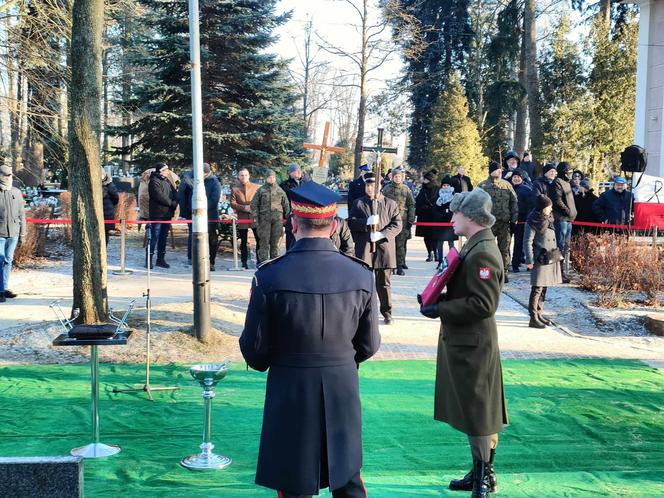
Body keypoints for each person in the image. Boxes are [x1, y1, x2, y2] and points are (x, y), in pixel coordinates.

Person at [240, 181, 380, 498]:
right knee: (346, 478)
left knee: (293, 483)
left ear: (293, 223)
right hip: (341, 384)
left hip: (290, 387)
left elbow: (255, 351)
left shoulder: (269, 275)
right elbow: (369, 344)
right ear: (333, 225)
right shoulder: (360, 274)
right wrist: (340, 360)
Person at [419, 187, 508, 498]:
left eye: (456, 212)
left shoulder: (483, 251)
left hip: (474, 344)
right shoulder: (475, 245)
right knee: (475, 411)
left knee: (479, 414)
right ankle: (481, 472)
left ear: (470, 217)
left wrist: (440, 308)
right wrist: (439, 297)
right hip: (466, 342)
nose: (452, 217)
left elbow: (484, 304)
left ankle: (484, 478)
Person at [348, 172, 402, 324]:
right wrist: (365, 222)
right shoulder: (358, 203)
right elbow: (351, 222)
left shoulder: (390, 204)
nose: (370, 188)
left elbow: (397, 224)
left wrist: (382, 234)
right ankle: (362, 312)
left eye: (373, 185)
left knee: (384, 284)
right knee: (363, 283)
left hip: (384, 249)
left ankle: (387, 312)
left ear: (379, 186)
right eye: (368, 185)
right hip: (365, 249)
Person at [523, 195, 562, 328]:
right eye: (548, 207)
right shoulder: (533, 220)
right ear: (541, 208)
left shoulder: (548, 218)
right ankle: (533, 317)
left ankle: (539, 313)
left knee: (544, 286)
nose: (550, 209)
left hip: (549, 257)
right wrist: (529, 260)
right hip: (539, 258)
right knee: (537, 288)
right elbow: (527, 242)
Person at [478, 161, 518, 282]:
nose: (500, 172)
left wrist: (514, 218)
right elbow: (477, 203)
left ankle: (503, 271)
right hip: (488, 223)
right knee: (487, 248)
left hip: (504, 223)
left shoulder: (507, 185)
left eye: (500, 170)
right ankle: (486, 271)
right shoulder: (482, 186)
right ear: (491, 171)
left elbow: (514, 202)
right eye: (497, 170)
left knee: (504, 248)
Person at [178, 163, 222, 270]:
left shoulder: (214, 182)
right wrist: (187, 210)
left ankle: (211, 261)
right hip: (194, 214)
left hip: (210, 215)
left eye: (201, 173)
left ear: (206, 173)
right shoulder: (191, 179)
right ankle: (193, 258)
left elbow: (214, 199)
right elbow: (185, 195)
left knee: (212, 238)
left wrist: (202, 208)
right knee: (193, 236)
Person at [251, 169, 290, 264]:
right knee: (264, 242)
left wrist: (288, 217)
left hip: (277, 220)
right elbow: (254, 205)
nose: (271, 179)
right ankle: (263, 262)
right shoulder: (261, 190)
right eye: (269, 177)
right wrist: (255, 218)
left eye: (273, 177)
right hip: (264, 220)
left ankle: (274, 262)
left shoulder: (280, 191)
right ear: (266, 178)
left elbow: (286, 205)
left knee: (275, 243)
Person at [0, 165, 26, 302]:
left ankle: (4, 288)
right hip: (0, 232)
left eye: (9, 175)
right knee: (0, 259)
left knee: (8, 260)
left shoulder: (16, 192)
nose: (7, 177)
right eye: (4, 175)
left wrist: (23, 232)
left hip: (14, 232)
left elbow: (22, 213)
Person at [382, 166, 415, 275]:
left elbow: (411, 205)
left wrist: (411, 220)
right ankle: (390, 265)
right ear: (392, 177)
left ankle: (400, 266)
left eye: (399, 177)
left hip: (402, 220)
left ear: (402, 177)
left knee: (400, 244)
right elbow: (382, 203)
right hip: (389, 221)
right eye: (395, 176)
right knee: (389, 243)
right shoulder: (386, 189)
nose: (397, 179)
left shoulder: (405, 189)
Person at [148, 163, 178, 269]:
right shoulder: (153, 181)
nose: (167, 172)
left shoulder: (167, 181)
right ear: (160, 171)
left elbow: (174, 192)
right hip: (157, 214)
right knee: (154, 236)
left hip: (167, 214)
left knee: (163, 238)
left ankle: (160, 259)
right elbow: (158, 196)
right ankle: (149, 260)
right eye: (166, 170)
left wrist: (176, 201)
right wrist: (171, 203)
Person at [551, 162, 577, 283]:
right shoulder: (556, 183)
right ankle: (557, 273)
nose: (571, 175)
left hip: (568, 219)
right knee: (559, 246)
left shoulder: (567, 183)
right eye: (569, 172)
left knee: (566, 247)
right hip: (561, 219)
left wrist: (572, 213)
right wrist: (568, 212)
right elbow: (557, 200)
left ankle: (563, 272)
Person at [230, 168, 259, 269]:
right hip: (242, 218)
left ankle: (260, 260)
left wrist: (252, 207)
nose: (244, 177)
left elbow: (260, 200)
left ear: (249, 176)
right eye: (242, 175)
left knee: (258, 239)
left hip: (254, 217)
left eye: (246, 175)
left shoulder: (256, 187)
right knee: (243, 241)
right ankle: (244, 262)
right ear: (238, 176)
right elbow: (232, 203)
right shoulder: (235, 189)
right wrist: (243, 208)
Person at [138, 166, 179, 231]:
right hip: (166, 209)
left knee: (156, 232)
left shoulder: (147, 175)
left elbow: (143, 194)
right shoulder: (173, 176)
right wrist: (173, 203)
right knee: (160, 232)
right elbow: (178, 187)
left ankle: (149, 229)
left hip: (154, 209)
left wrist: (144, 213)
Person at [510, 169, 534, 272]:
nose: (516, 178)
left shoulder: (526, 190)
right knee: (507, 244)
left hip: (522, 221)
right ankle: (510, 264)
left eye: (518, 177)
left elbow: (530, 205)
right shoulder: (508, 188)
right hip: (510, 220)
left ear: (522, 178)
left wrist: (527, 218)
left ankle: (518, 264)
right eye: (514, 177)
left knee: (520, 243)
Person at [415, 168, 440, 261]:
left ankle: (436, 252)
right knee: (427, 237)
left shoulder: (438, 189)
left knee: (435, 236)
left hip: (435, 217)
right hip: (424, 217)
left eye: (426, 180)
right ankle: (430, 253)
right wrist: (422, 208)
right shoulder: (423, 190)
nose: (424, 181)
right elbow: (418, 202)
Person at [280, 162, 305, 250]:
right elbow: (281, 202)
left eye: (299, 170)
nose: (298, 172)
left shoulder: (306, 183)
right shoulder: (284, 185)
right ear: (290, 173)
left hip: (304, 216)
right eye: (295, 171)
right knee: (290, 240)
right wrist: (284, 216)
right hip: (291, 216)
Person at [433, 175, 457, 267]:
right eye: (444, 185)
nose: (446, 187)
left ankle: (452, 261)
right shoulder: (438, 195)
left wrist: (450, 215)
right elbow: (434, 209)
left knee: (451, 243)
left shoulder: (454, 196)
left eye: (447, 185)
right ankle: (439, 261)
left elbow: (455, 209)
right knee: (439, 243)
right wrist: (440, 215)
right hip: (440, 223)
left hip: (450, 223)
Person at [101, 168, 119, 246]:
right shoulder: (110, 185)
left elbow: (115, 198)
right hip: (107, 212)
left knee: (104, 233)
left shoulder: (109, 186)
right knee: (105, 233)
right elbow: (116, 198)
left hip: (106, 213)